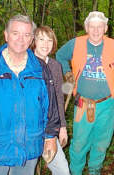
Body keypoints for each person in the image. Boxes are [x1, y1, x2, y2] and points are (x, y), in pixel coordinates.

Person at [0, 15, 60, 175]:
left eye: (27, 35)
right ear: (6, 35)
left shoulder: (40, 68)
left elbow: (50, 106)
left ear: (31, 39)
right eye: (15, 33)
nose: (21, 39)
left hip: (29, 150)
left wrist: (50, 137)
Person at [56, 11, 114, 175]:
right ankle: (76, 172)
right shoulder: (76, 43)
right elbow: (60, 55)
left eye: (100, 26)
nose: (96, 30)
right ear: (86, 27)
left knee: (101, 143)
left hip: (107, 104)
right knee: (79, 143)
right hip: (83, 103)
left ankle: (95, 171)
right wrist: (67, 72)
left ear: (105, 28)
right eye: (92, 26)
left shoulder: (113, 45)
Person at [31, 26, 70, 175]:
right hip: (29, 129)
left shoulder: (55, 66)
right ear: (34, 41)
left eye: (49, 40)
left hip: (49, 128)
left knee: (62, 170)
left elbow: (59, 98)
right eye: (41, 39)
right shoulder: (25, 62)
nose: (45, 44)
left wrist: (62, 127)